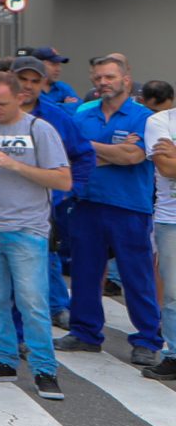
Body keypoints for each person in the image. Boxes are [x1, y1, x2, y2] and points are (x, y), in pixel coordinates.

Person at [0, 69, 76, 401]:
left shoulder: (40, 129)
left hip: (26, 227)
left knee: (32, 300)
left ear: (20, 97)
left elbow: (63, 181)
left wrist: (15, 166)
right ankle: (3, 360)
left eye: (2, 103)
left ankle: (44, 369)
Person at [65, 56, 164, 366]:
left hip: (129, 206)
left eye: (109, 76)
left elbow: (133, 157)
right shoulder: (83, 114)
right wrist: (111, 152)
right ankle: (84, 333)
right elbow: (70, 157)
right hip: (86, 203)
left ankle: (147, 339)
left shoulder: (145, 118)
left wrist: (88, 147)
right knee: (84, 272)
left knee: (137, 276)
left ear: (126, 78)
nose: (103, 82)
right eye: (98, 77)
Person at [147, 100, 176, 381]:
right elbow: (166, 168)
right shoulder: (160, 122)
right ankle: (174, 355)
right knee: (173, 295)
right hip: (171, 221)